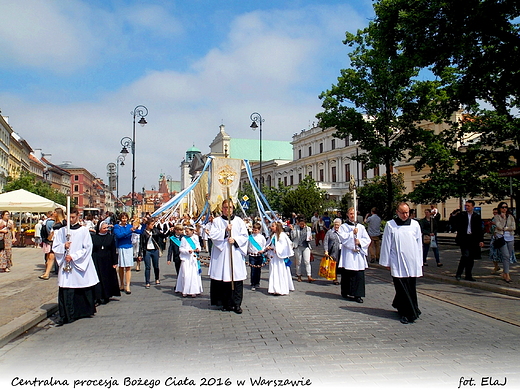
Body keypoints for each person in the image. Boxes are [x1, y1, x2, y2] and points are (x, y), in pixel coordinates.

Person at [52, 207, 99, 326]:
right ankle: (67, 315)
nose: (71, 220)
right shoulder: (62, 231)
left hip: (78, 263)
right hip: (66, 265)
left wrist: (73, 256)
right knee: (66, 289)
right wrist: (64, 246)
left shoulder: (83, 231)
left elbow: (87, 248)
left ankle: (83, 311)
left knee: (82, 287)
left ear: (78, 216)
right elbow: (55, 247)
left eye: (73, 217)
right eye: (69, 217)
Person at [380, 202, 423, 324]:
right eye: (402, 212)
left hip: (412, 261)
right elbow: (387, 244)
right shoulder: (391, 225)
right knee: (401, 288)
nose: (405, 215)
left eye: (407, 212)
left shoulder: (415, 225)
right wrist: (386, 261)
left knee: (410, 287)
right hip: (397, 261)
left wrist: (419, 261)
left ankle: (412, 307)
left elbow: (418, 243)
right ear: (397, 212)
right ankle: (406, 313)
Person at [208, 199, 248, 314]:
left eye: (230, 207)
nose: (228, 210)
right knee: (224, 279)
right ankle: (226, 303)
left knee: (236, 280)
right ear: (222, 209)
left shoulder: (239, 221)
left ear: (233, 208)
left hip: (235, 253)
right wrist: (225, 231)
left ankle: (237, 304)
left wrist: (235, 240)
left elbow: (245, 236)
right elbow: (213, 236)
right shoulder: (217, 221)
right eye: (225, 207)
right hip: (222, 255)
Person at [338, 208, 370, 303]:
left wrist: (360, 242)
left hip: (358, 255)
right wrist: (352, 234)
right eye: (351, 214)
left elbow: (367, 239)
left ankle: (358, 295)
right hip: (348, 254)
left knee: (358, 275)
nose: (352, 216)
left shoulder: (361, 227)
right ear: (347, 215)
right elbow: (343, 239)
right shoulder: (343, 227)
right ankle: (346, 292)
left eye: (354, 214)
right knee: (348, 273)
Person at [91, 220, 120, 305]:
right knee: (98, 278)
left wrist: (115, 262)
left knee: (107, 278)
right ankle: (98, 296)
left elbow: (113, 250)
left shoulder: (110, 237)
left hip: (108, 260)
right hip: (97, 260)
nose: (106, 229)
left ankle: (107, 295)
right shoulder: (94, 237)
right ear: (99, 228)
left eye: (107, 227)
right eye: (104, 228)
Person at [454, 200, 484, 282]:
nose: (467, 207)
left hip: (473, 239)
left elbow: (479, 229)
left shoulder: (476, 216)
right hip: (464, 238)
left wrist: (481, 240)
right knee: (465, 255)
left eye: (468, 206)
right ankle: (458, 273)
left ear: (473, 206)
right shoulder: (462, 215)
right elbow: (455, 223)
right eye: (466, 206)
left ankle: (468, 275)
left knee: (471, 258)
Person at [114, 212, 142, 294]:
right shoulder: (117, 227)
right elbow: (119, 235)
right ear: (120, 219)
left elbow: (140, 232)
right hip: (121, 247)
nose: (124, 220)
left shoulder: (130, 226)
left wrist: (143, 224)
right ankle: (122, 283)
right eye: (123, 218)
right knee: (121, 267)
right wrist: (129, 231)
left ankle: (128, 285)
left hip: (129, 247)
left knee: (128, 267)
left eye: (125, 218)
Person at [266, 221, 294, 295]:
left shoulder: (282, 235)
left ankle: (281, 289)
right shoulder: (272, 236)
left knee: (280, 271)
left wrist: (275, 249)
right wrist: (268, 248)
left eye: (273, 226)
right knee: (273, 271)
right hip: (274, 257)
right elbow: (268, 243)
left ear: (277, 227)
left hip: (280, 257)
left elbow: (285, 245)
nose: (271, 227)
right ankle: (274, 288)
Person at [176, 224, 203, 297]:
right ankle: (185, 290)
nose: (186, 233)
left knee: (193, 275)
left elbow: (198, 245)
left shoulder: (196, 237)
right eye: (186, 231)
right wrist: (188, 251)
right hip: (186, 259)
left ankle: (193, 290)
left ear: (192, 231)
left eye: (187, 231)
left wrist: (198, 249)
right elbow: (181, 249)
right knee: (185, 274)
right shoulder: (184, 238)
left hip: (193, 259)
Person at [39, 208, 66, 280]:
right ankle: (46, 274)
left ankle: (61, 272)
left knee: (60, 257)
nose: (53, 213)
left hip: (60, 241)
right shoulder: (55, 222)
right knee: (51, 256)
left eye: (54, 212)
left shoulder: (63, 222)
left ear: (58, 213)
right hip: (54, 240)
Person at [492, 202, 516, 283]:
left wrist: (506, 228)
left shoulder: (511, 217)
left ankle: (505, 272)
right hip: (501, 237)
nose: (504, 209)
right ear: (499, 208)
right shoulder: (497, 217)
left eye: (506, 207)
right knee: (505, 255)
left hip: (510, 237)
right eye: (502, 207)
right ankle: (507, 274)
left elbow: (514, 227)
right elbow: (499, 226)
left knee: (508, 256)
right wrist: (504, 221)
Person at [138, 218, 164, 289]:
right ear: (147, 225)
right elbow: (141, 244)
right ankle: (147, 282)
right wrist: (140, 254)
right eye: (152, 224)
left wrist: (170, 231)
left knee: (156, 266)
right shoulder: (143, 233)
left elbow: (162, 235)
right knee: (147, 267)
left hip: (155, 250)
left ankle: (157, 278)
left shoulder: (155, 231)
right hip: (147, 251)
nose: (153, 226)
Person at [290, 217, 315, 283]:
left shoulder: (308, 228)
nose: (302, 225)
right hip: (298, 246)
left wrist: (310, 238)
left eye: (303, 224)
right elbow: (293, 237)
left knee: (307, 261)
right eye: (301, 224)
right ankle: (299, 275)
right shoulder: (295, 228)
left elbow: (310, 237)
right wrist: (292, 230)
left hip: (306, 246)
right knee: (299, 262)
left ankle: (309, 276)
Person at [248, 222, 266, 291]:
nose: (254, 231)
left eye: (256, 230)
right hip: (252, 255)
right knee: (253, 270)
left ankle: (257, 283)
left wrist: (263, 250)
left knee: (258, 269)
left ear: (259, 230)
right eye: (254, 229)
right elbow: (248, 245)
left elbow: (264, 245)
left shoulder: (262, 237)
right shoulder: (250, 237)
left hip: (259, 255)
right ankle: (253, 283)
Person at [323, 218, 342, 285]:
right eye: (335, 225)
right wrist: (326, 251)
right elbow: (325, 241)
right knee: (334, 265)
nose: (336, 226)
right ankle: (335, 278)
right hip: (333, 251)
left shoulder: (343, 232)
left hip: (342, 251)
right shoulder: (330, 232)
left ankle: (343, 279)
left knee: (342, 266)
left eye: (338, 225)